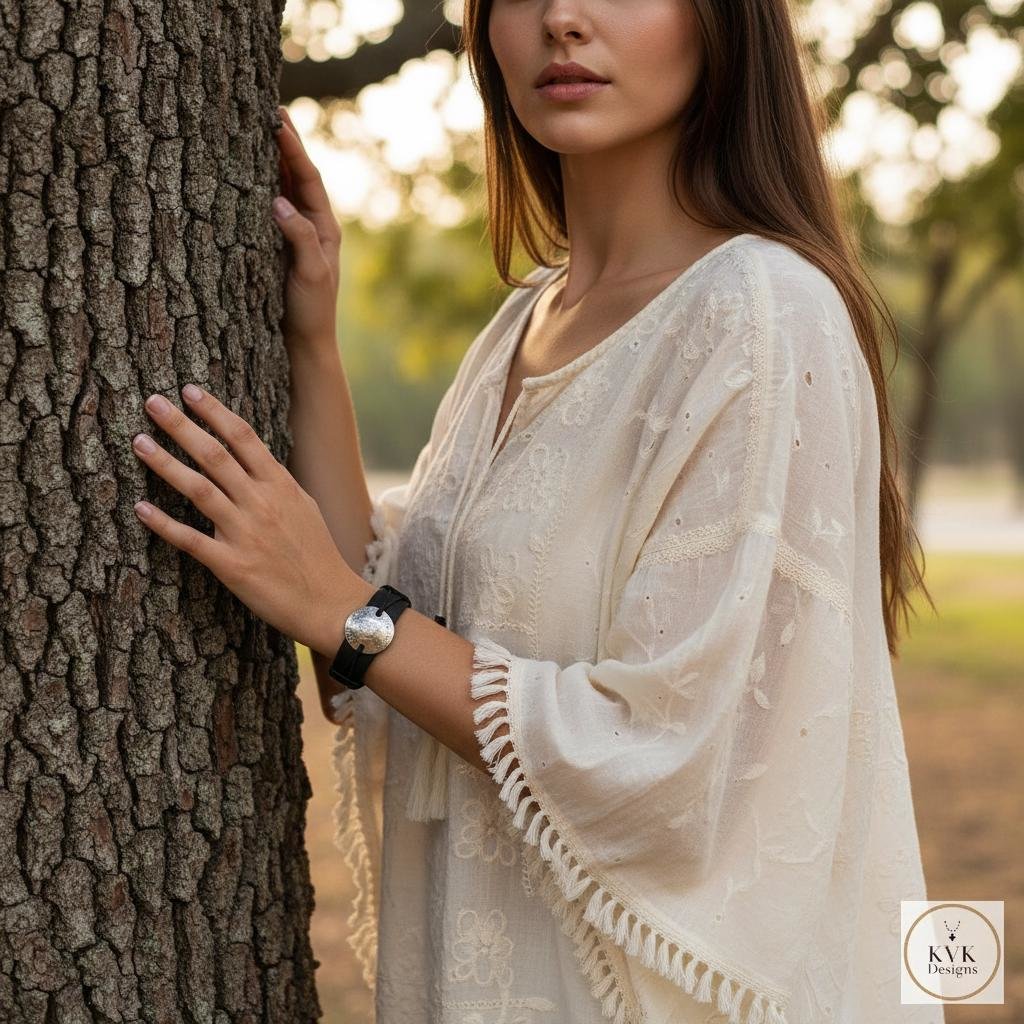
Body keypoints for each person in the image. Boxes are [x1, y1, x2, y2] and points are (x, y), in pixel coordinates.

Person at [273, 2, 942, 1022]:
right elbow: (370, 655)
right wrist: (313, 344)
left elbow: (668, 760)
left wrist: (339, 608)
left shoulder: (762, 311)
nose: (562, 19)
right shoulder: (522, 324)